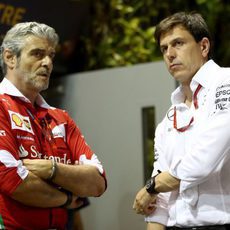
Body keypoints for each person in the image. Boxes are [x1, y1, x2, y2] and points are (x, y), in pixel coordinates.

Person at [0, 21, 107, 229]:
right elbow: (11, 179)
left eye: (51, 55)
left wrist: (51, 169)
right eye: (38, 54)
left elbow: (97, 181)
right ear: (10, 58)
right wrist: (67, 198)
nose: (48, 63)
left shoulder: (60, 117)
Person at [133, 11, 230, 230]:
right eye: (164, 48)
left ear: (203, 47)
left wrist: (152, 186)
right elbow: (161, 202)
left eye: (178, 43)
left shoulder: (226, 82)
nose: (170, 54)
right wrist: (155, 188)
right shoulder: (167, 121)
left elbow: (204, 161)